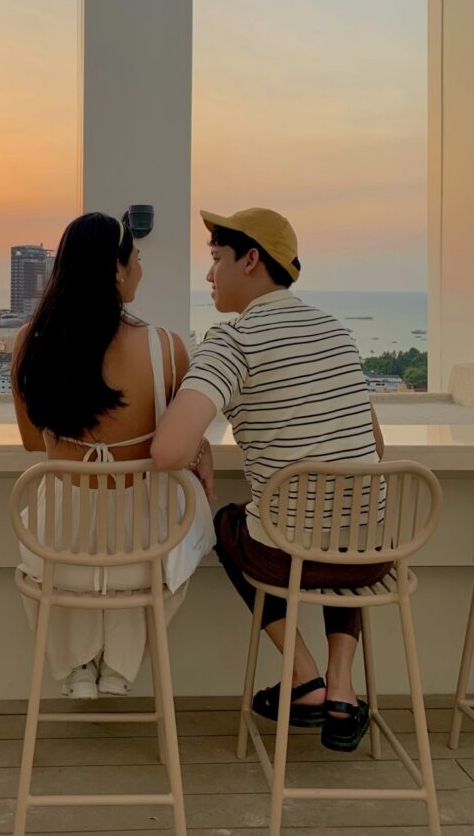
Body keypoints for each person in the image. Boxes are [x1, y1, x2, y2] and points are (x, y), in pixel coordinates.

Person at [151, 207, 389, 752]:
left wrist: (201, 441)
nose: (209, 277)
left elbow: (167, 450)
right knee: (343, 512)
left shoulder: (231, 341)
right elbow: (374, 446)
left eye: (216, 260)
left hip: (288, 556)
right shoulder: (336, 332)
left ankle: (306, 679)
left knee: (230, 524)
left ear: (251, 260)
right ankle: (343, 689)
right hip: (375, 551)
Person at [11, 212, 216, 699]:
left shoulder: (30, 342)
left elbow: (29, 442)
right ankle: (122, 665)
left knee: (75, 546)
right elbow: (182, 440)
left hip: (60, 544)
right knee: (172, 530)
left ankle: (80, 665)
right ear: (118, 270)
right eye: (137, 258)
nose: (141, 269)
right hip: (140, 548)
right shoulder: (166, 348)